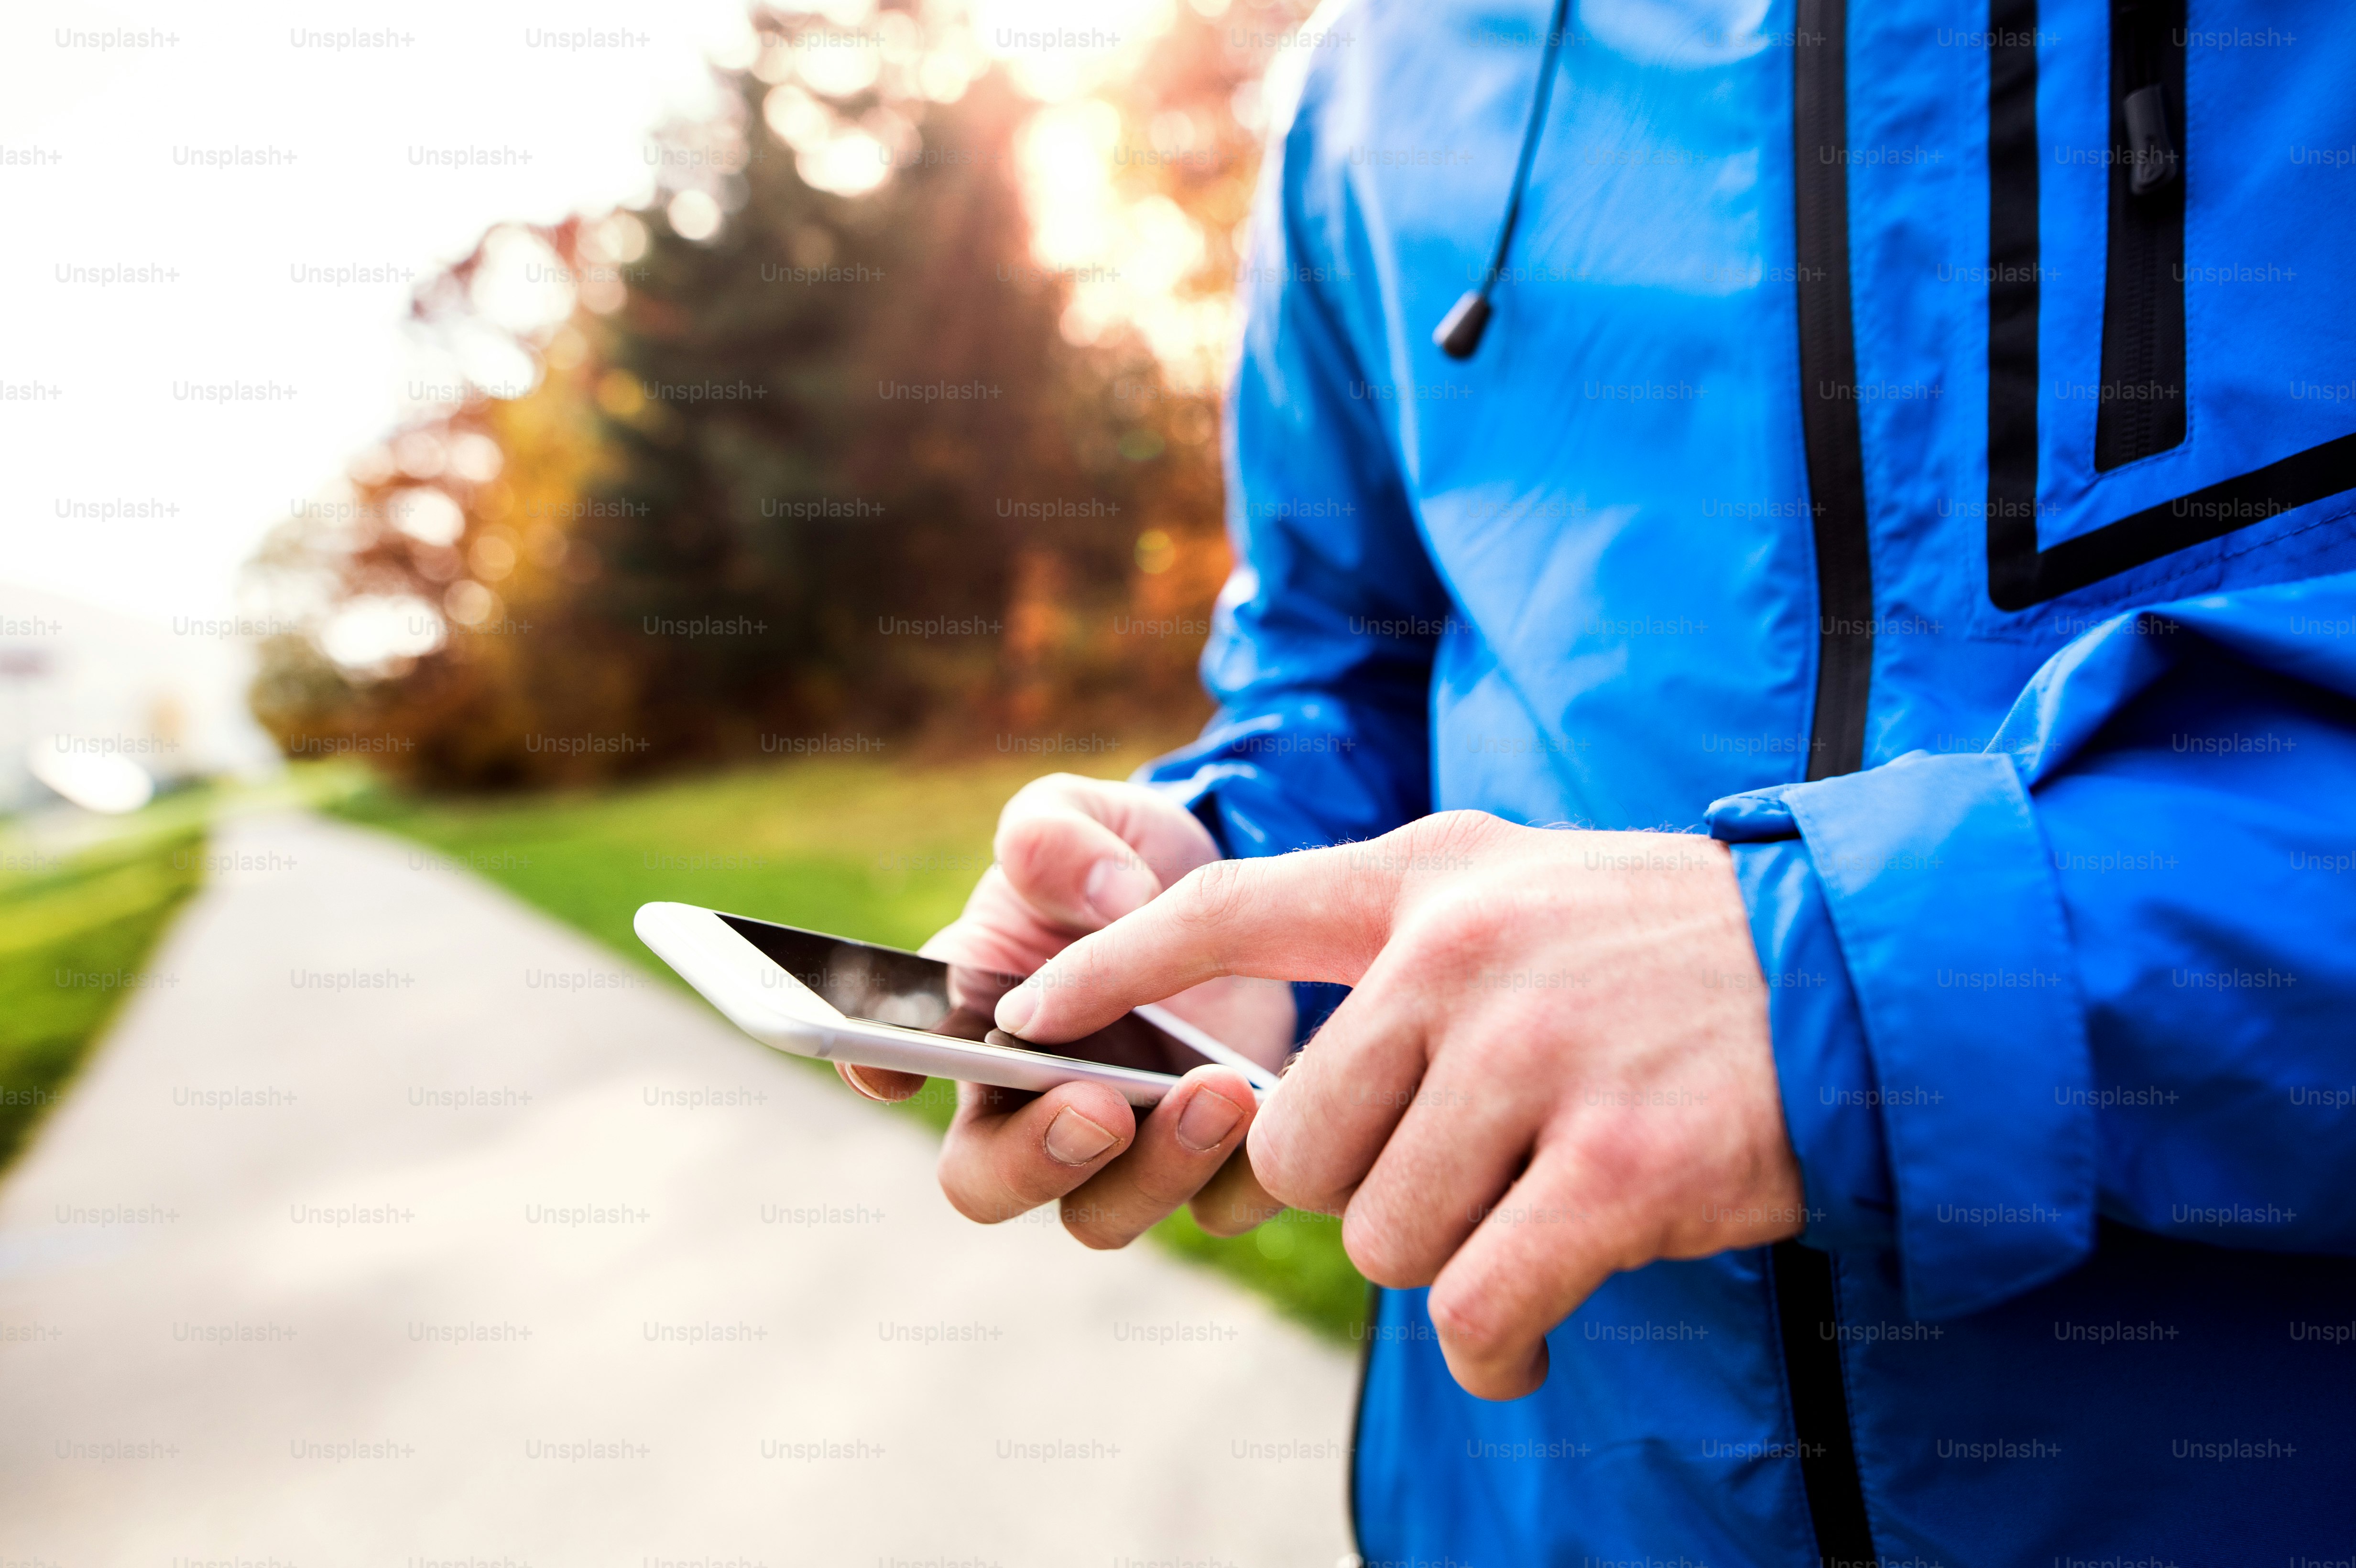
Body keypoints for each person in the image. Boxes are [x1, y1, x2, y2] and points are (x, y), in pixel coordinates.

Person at [843, 0, 2356, 1561]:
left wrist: (1847, 983)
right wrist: (1236, 904)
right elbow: (1348, 662)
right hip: (1541, 1503)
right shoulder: (1378, 78)